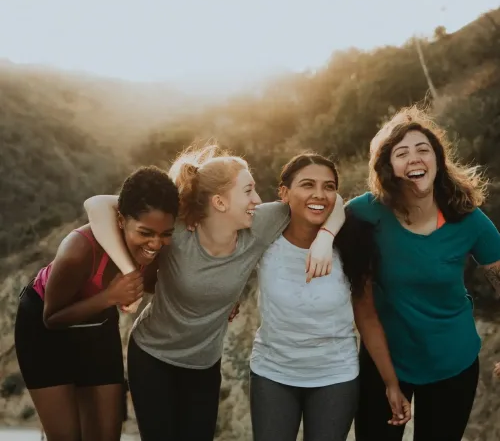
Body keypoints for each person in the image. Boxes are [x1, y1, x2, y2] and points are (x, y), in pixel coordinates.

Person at [82, 145, 344, 441]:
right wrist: (129, 270)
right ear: (219, 201)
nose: (257, 200)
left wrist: (325, 238)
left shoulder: (260, 224)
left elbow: (330, 201)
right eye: (248, 191)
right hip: (153, 357)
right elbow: (97, 205)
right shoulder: (177, 229)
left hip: (204, 365)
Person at [347, 107, 500, 441]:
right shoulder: (366, 212)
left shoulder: (467, 218)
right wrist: (390, 382)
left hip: (452, 364)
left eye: (423, 150)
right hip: (385, 358)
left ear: (437, 160)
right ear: (388, 167)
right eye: (401, 153)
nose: (414, 158)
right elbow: (364, 305)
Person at [249, 153, 410, 441]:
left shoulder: (352, 244)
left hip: (335, 376)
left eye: (329, 186)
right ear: (284, 193)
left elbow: (367, 317)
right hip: (272, 372)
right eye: (307, 185)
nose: (319, 195)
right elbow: (229, 258)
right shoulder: (265, 236)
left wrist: (391, 382)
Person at [14, 166, 178, 441]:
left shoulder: (155, 248)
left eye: (165, 234)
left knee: (105, 435)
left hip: (97, 327)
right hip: (43, 332)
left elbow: (157, 284)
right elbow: (51, 318)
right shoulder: (79, 250)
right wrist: (110, 297)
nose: (156, 243)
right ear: (122, 220)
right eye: (146, 232)